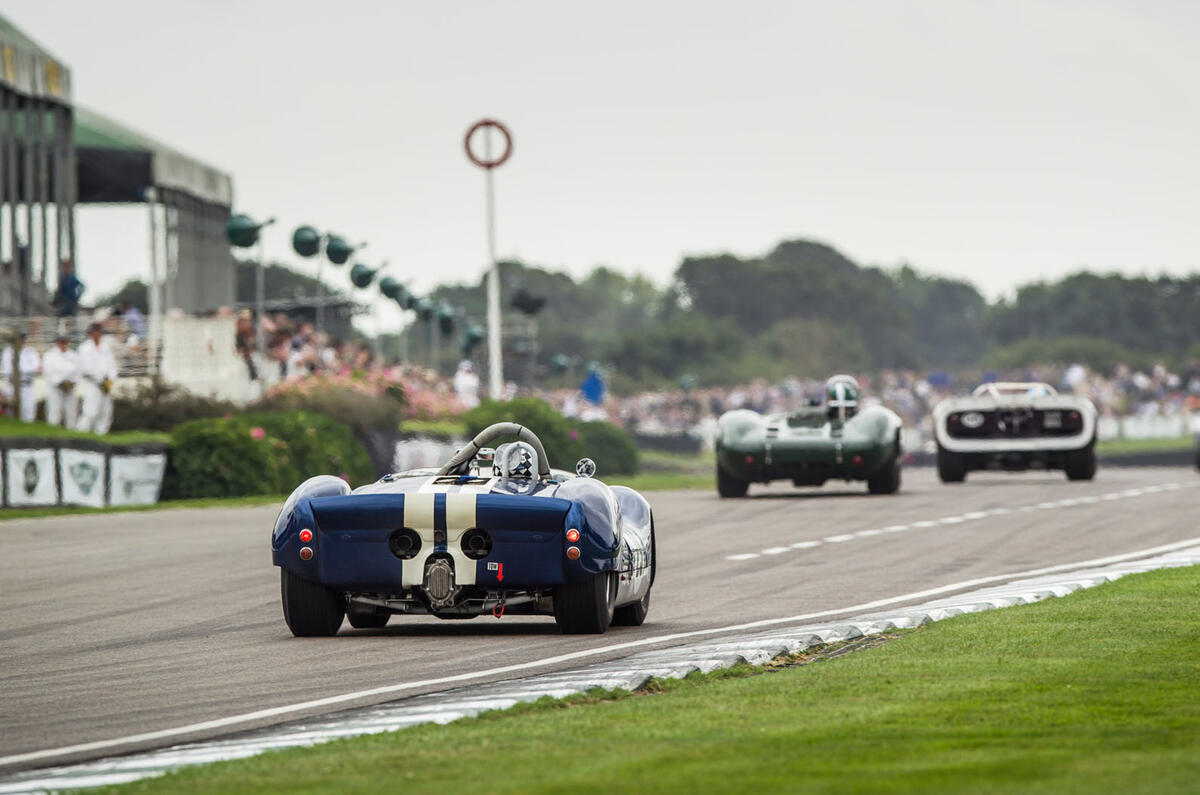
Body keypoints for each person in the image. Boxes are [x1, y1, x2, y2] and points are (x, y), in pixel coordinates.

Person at [76, 323, 117, 434]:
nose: (97, 334)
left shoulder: (106, 348)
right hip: (92, 384)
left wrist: (110, 380)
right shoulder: (85, 348)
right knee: (90, 411)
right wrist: (100, 380)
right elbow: (86, 368)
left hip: (106, 385)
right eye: (95, 332)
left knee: (106, 412)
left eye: (99, 332)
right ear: (91, 333)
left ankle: (101, 434)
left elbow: (112, 366)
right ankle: (82, 433)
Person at [1, 332, 42, 422]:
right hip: (12, 385)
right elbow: (7, 371)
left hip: (27, 385)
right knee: (12, 412)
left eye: (23, 340)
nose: (21, 342)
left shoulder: (31, 352)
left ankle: (29, 433)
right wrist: (26, 370)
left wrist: (20, 369)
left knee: (29, 412)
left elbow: (37, 369)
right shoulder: (7, 352)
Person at [43, 333, 80, 427]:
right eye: (61, 341)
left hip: (70, 388)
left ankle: (71, 433)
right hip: (55, 388)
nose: (63, 344)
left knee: (71, 413)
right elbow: (48, 372)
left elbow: (78, 371)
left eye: (65, 341)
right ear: (57, 342)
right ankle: (53, 434)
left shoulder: (73, 355)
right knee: (54, 412)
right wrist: (60, 382)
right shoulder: (50, 355)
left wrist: (71, 382)